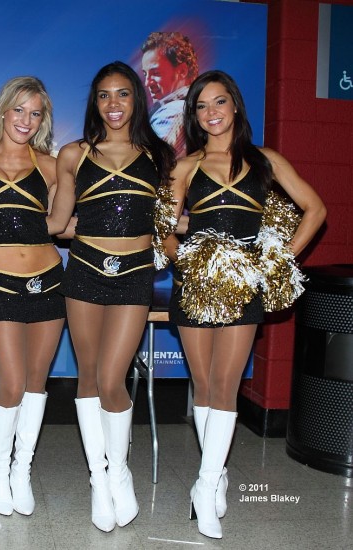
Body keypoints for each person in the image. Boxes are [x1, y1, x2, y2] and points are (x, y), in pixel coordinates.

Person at [165, 70, 326, 539]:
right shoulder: (185, 166)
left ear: (235, 106)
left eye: (219, 103)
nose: (211, 113)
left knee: (225, 385)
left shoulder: (266, 160)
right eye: (201, 106)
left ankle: (206, 483)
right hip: (196, 287)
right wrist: (188, 263)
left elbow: (314, 210)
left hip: (244, 287)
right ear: (193, 115)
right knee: (203, 383)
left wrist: (274, 263)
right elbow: (166, 229)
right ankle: (213, 474)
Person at [47, 61, 176, 532]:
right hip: (83, 272)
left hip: (134, 276)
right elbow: (59, 222)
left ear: (136, 100)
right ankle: (99, 480)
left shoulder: (159, 155)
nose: (114, 104)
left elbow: (168, 223)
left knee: (112, 377)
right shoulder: (73, 154)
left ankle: (118, 469)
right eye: (104, 95)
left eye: (123, 94)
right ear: (94, 103)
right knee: (88, 376)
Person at [0, 77, 65, 517]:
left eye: (35, 113)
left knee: (37, 385)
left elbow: (64, 224)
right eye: (19, 109)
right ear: (3, 111)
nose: (26, 120)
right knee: (11, 384)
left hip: (49, 281)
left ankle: (21, 471)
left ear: (43, 119)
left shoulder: (51, 165)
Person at [140, 31, 199, 158]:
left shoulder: (173, 110)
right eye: (145, 74)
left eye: (155, 73)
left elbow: (151, 163)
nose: (147, 83)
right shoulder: (192, 108)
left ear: (182, 71)